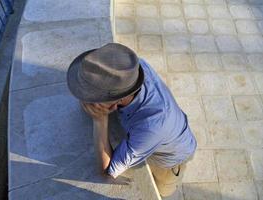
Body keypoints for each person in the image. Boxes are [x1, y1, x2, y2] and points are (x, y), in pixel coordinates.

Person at [67, 43, 197, 197]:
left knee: (163, 190)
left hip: (172, 158)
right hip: (161, 131)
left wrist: (100, 121)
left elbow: (107, 171)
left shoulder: (151, 126)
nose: (88, 101)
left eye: (93, 97)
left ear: (116, 101)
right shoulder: (132, 70)